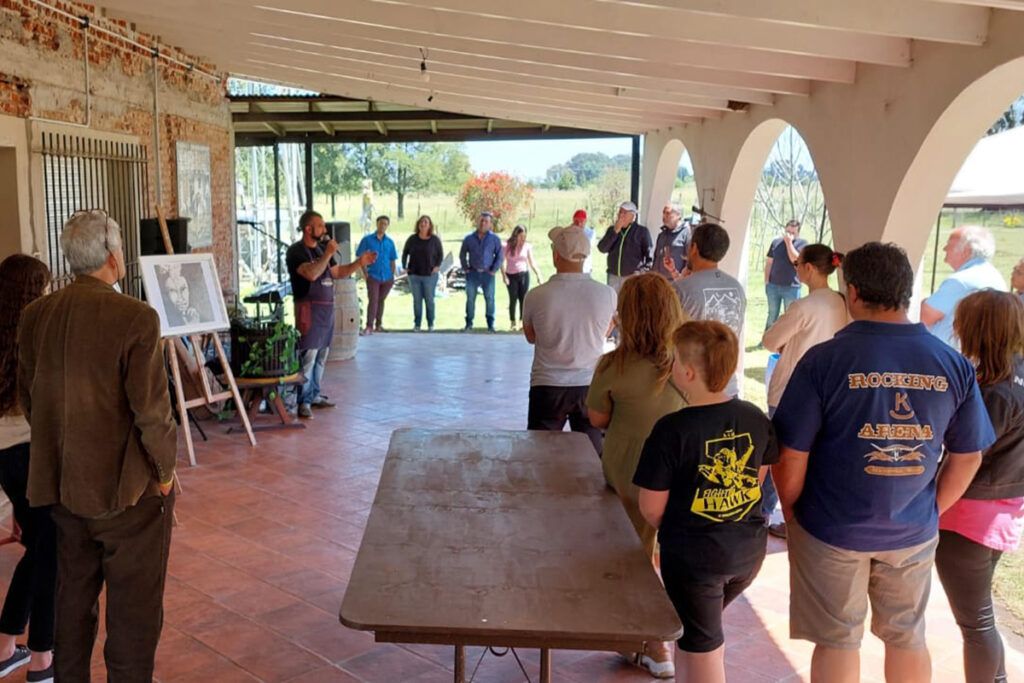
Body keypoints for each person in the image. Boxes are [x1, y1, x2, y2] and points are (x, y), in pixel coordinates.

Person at [771, 241, 995, 683]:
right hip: (911, 531)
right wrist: (932, 509)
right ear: (907, 291)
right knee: (907, 636)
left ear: (852, 292)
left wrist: (793, 507)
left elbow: (791, 451)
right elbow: (968, 455)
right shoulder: (950, 363)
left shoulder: (825, 360)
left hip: (831, 527)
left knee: (837, 640)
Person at [16, 210, 181, 682]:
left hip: (65, 490)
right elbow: (153, 413)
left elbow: (32, 398)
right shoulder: (136, 317)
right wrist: (165, 476)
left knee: (72, 605)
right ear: (113, 256)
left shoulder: (36, 315)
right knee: (133, 615)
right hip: (127, 493)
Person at [635, 320, 779, 683]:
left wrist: (686, 528)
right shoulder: (755, 417)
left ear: (686, 372)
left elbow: (651, 507)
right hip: (746, 552)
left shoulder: (672, 430)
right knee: (695, 634)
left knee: (704, 647)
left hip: (695, 559)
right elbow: (756, 481)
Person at [586, 273, 686, 680]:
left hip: (630, 474)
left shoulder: (614, 365)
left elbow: (596, 417)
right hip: (681, 476)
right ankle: (657, 638)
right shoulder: (686, 364)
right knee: (660, 554)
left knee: (635, 558)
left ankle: (649, 640)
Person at [936, 290, 1024, 683]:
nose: (955, 329)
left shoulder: (993, 394)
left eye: (962, 323)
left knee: (976, 623)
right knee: (980, 617)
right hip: (1000, 513)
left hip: (968, 516)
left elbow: (966, 455)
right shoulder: (1012, 378)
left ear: (977, 331)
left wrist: (929, 508)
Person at [759, 244, 848, 538]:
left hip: (790, 389)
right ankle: (805, 519)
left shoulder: (803, 307)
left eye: (798, 265)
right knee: (814, 456)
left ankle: (764, 514)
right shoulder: (843, 302)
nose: (796, 270)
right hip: (830, 391)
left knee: (778, 456)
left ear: (809, 268)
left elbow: (771, 341)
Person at [0, 255, 55, 683]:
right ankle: (41, 662)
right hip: (32, 453)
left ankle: (6, 648)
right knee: (51, 555)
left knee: (40, 548)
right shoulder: (34, 335)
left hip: (6, 458)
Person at [522, 225, 616, 456]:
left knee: (540, 453)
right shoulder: (607, 294)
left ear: (556, 256)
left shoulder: (536, 295)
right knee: (593, 455)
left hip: (547, 384)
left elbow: (531, 336)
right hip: (590, 384)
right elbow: (605, 331)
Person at [286, 210, 376, 419]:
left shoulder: (320, 249)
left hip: (326, 311)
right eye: (320, 226)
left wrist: (359, 263)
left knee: (321, 356)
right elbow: (311, 273)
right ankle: (303, 401)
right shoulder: (296, 252)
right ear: (308, 229)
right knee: (308, 356)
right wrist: (327, 254)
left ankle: (314, 394)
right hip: (308, 309)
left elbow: (337, 273)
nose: (325, 230)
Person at [669, 222, 746, 396]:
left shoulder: (681, 289)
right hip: (728, 386)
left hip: (691, 391)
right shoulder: (737, 288)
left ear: (693, 248)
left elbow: (666, 336)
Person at [921, 225, 1006, 348]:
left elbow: (923, 317)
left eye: (949, 244)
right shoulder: (995, 276)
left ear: (965, 251)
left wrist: (924, 302)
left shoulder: (960, 281)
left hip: (951, 359)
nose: (944, 249)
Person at [459, 211, 504, 332]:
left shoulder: (494, 239)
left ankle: (490, 325)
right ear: (477, 222)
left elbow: (500, 255)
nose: (483, 223)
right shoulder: (469, 238)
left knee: (490, 299)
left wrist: (494, 270)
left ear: (490, 224)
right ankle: (469, 324)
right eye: (481, 221)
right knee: (470, 299)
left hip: (487, 274)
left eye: (486, 221)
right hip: (472, 273)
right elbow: (462, 254)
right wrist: (465, 268)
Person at [357, 214, 399, 336]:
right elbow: (361, 257)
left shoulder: (390, 242)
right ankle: (369, 326)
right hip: (373, 276)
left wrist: (392, 275)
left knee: (381, 300)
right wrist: (365, 273)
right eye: (381, 223)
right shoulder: (367, 240)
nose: (383, 226)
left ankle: (379, 325)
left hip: (387, 277)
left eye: (385, 224)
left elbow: (392, 260)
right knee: (373, 300)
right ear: (377, 224)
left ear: (387, 226)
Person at [597, 201, 651, 292]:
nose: (621, 216)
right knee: (614, 304)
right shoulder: (612, 230)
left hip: (632, 277)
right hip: (613, 276)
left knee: (630, 304)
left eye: (625, 213)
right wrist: (615, 232)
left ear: (633, 216)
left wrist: (641, 273)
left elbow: (650, 255)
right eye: (620, 212)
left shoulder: (641, 232)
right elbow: (602, 248)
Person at [402, 214, 444, 332]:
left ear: (430, 225)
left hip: (430, 275)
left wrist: (437, 266)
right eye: (421, 222)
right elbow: (405, 253)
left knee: (429, 300)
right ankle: (417, 324)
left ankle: (430, 324)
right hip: (414, 275)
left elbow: (440, 254)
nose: (423, 224)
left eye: (426, 222)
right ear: (418, 225)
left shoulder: (434, 240)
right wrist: (405, 266)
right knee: (417, 301)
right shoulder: (412, 239)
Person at [763, 219, 807, 330]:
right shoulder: (775, 243)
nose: (789, 235)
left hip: (792, 287)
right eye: (788, 232)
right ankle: (767, 338)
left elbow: (795, 260)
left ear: (798, 233)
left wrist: (789, 243)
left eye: (793, 233)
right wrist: (767, 281)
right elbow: (769, 262)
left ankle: (789, 340)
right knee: (772, 314)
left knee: (791, 316)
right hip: (773, 286)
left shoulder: (803, 244)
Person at [501, 225, 542, 331]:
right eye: (521, 236)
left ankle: (522, 323)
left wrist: (538, 274)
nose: (523, 239)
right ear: (516, 235)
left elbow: (532, 262)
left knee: (524, 300)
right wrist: (504, 275)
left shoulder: (527, 246)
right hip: (511, 275)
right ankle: (513, 322)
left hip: (523, 274)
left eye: (524, 236)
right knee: (513, 298)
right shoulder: (507, 246)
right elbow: (502, 261)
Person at [652, 204, 690, 280]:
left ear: (678, 215)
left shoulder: (686, 234)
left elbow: (690, 260)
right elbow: (656, 257)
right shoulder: (662, 235)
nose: (664, 216)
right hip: (659, 279)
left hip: (676, 280)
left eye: (668, 213)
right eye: (663, 213)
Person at [569, 209, 596, 275]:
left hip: (586, 267)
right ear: (573, 221)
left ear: (585, 221)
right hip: (572, 268)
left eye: (581, 221)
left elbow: (587, 246)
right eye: (576, 221)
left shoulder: (591, 233)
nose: (579, 223)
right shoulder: (568, 232)